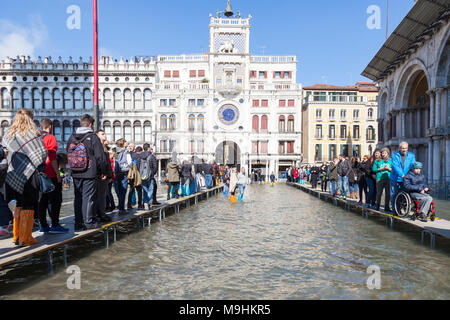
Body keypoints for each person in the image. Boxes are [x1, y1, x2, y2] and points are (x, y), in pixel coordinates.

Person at [3, 109, 47, 246]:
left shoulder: (8, 134)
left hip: (13, 174)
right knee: (29, 203)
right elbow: (41, 154)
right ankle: (25, 237)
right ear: (30, 119)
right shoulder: (32, 133)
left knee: (19, 204)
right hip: (29, 174)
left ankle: (16, 236)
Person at [67, 114, 109, 231]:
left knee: (78, 197)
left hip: (75, 172)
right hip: (90, 172)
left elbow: (68, 152)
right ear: (91, 125)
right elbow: (100, 157)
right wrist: (103, 171)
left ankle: (78, 222)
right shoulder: (93, 137)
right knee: (89, 197)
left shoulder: (72, 137)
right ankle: (88, 222)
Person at [37, 118, 68, 233]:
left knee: (42, 201)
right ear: (50, 126)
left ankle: (43, 225)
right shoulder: (50, 138)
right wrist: (57, 174)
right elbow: (52, 157)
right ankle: (55, 224)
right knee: (55, 200)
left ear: (41, 127)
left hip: (39, 174)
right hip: (50, 173)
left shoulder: (36, 138)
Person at [93, 130, 113, 221]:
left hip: (104, 175)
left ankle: (101, 213)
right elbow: (100, 161)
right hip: (100, 175)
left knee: (102, 195)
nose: (105, 135)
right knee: (100, 195)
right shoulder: (97, 147)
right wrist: (104, 173)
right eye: (102, 134)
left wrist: (109, 175)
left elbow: (107, 163)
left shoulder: (103, 148)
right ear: (97, 136)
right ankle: (100, 214)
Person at [390, 141, 416, 209]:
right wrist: (402, 174)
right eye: (402, 148)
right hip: (395, 178)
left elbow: (413, 165)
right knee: (394, 194)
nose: (404, 150)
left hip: (405, 178)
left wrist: (415, 171)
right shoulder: (395, 155)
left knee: (404, 193)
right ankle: (394, 209)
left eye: (405, 148)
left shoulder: (411, 155)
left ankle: (402, 208)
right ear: (400, 148)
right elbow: (395, 166)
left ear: (407, 148)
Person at [114, 139, 131, 214]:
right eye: (126, 141)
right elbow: (130, 162)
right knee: (123, 191)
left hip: (116, 172)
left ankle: (119, 206)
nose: (127, 142)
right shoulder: (126, 151)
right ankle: (122, 208)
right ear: (123, 144)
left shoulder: (114, 151)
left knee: (118, 190)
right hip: (124, 172)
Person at [373, 147, 392, 212]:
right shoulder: (377, 161)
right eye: (382, 153)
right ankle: (377, 206)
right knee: (379, 193)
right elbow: (374, 169)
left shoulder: (390, 161)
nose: (383, 154)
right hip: (379, 179)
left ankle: (387, 207)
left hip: (388, 179)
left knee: (388, 193)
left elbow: (393, 170)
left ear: (388, 154)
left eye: (385, 153)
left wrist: (389, 168)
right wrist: (381, 169)